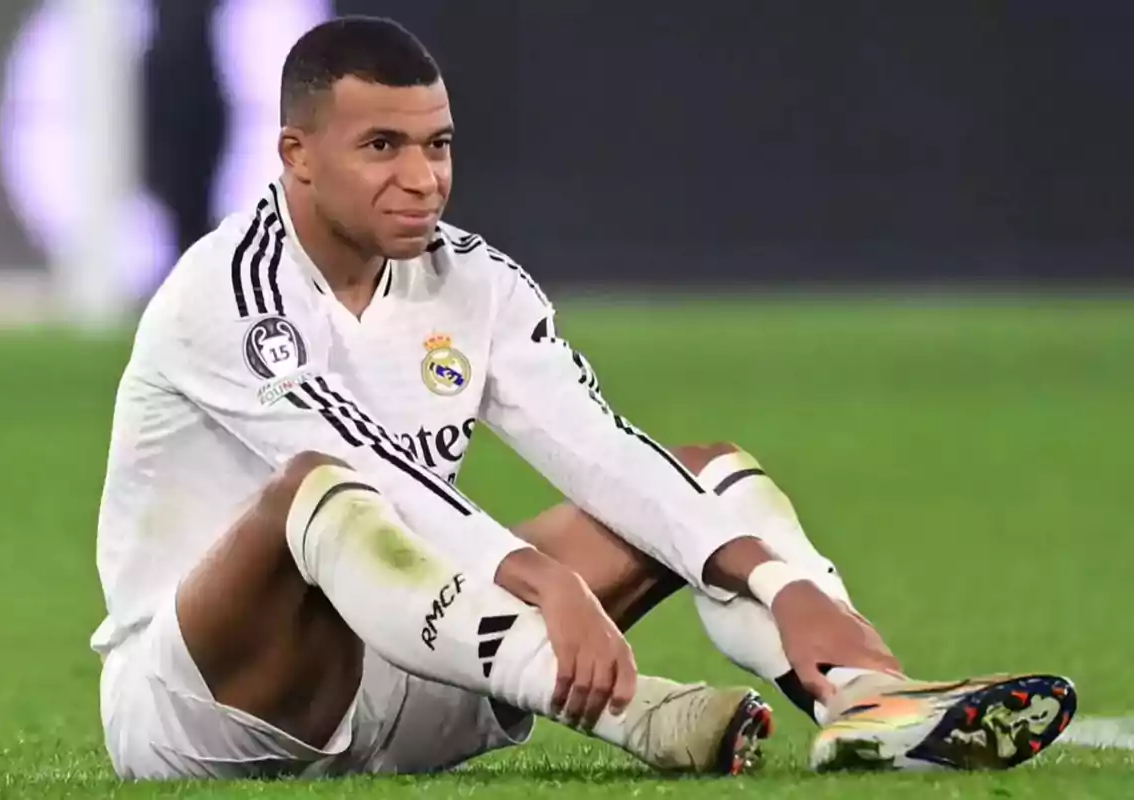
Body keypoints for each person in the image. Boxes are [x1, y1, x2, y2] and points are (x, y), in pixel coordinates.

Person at [92, 15, 1076, 781]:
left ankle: (869, 701)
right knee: (322, 484)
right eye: (382, 146)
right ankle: (637, 711)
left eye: (437, 144)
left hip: (428, 667)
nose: (422, 178)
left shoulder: (474, 283)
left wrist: (788, 584)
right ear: (296, 156)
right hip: (213, 708)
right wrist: (536, 574)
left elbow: (601, 451)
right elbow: (377, 475)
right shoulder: (227, 293)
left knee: (702, 475)